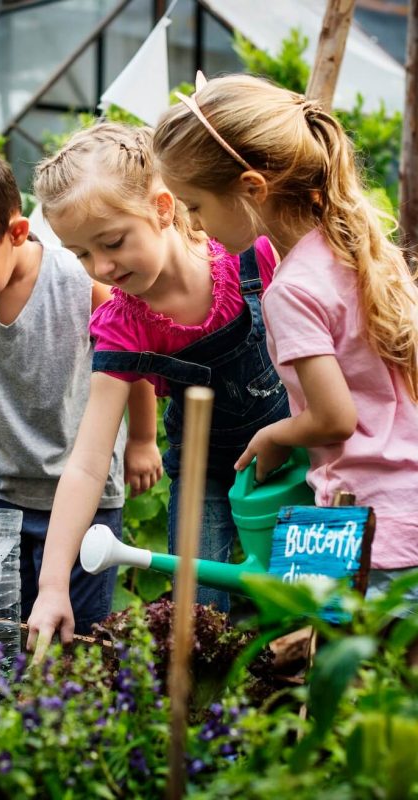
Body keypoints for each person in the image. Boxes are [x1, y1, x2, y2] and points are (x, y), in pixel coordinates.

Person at [153, 72, 418, 602]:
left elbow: (334, 417)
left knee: (339, 673)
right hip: (404, 507)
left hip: (363, 527)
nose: (195, 225)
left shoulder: (292, 290)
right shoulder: (353, 247)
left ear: (252, 188)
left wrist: (274, 435)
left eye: (197, 205)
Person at [26, 121, 289, 652]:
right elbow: (87, 462)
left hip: (299, 457)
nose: (100, 267)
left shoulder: (252, 257)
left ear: (164, 207)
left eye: (113, 242)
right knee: (197, 619)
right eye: (80, 254)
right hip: (206, 474)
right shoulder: (123, 324)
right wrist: (53, 583)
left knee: (304, 605)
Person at [0, 138, 162, 634]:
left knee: (77, 642)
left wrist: (143, 439)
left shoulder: (78, 282)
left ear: (17, 232)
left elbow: (133, 358)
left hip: (86, 499)